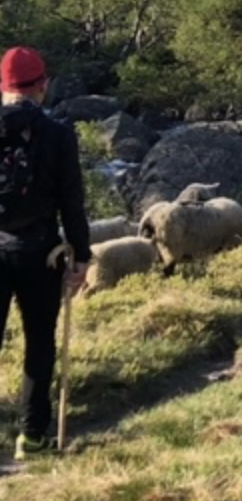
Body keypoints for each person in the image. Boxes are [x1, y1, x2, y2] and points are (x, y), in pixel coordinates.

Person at [0, 47, 89, 460]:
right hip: (42, 253)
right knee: (39, 343)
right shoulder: (58, 133)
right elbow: (72, 200)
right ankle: (32, 437)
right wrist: (82, 257)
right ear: (42, 85)